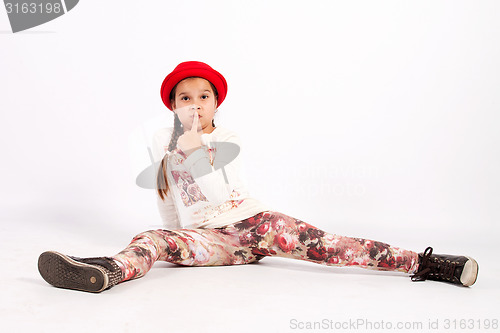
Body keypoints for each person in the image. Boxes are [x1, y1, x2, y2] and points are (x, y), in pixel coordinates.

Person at [38, 61, 479, 293]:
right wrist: (180, 235)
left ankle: (426, 264)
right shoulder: (160, 138)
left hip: (257, 225)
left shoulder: (226, 137)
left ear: (215, 102)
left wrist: (194, 147)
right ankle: (107, 272)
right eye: (185, 97)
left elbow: (218, 192)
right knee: (152, 238)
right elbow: (167, 195)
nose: (195, 103)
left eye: (203, 96)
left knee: (333, 248)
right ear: (172, 104)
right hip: (214, 242)